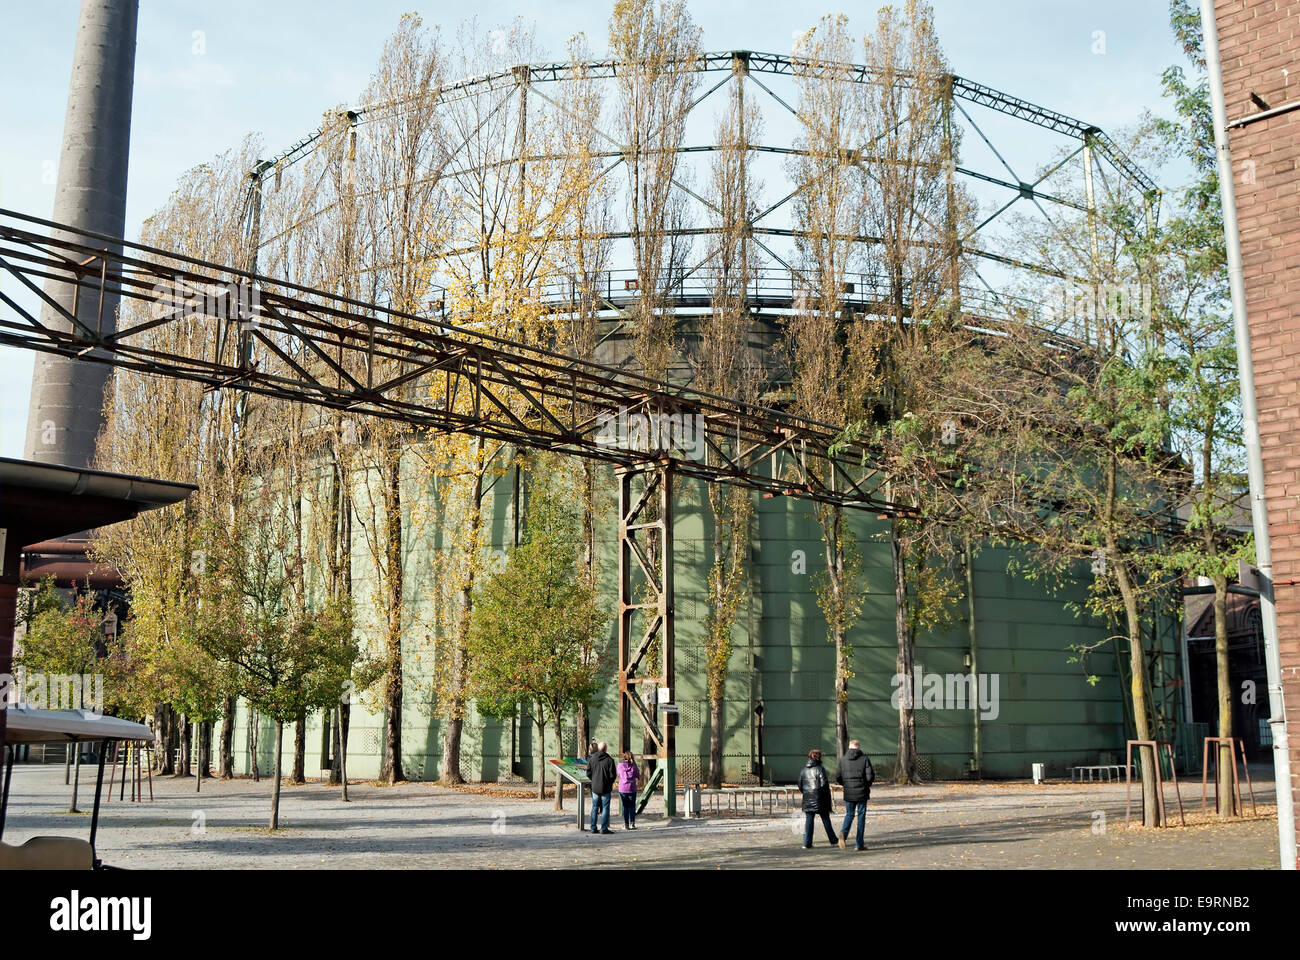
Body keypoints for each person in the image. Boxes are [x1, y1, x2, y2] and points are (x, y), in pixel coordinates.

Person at [835, 739, 874, 851]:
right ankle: (859, 844)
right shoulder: (864, 759)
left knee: (849, 814)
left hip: (848, 793)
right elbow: (870, 776)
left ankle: (843, 833)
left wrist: (846, 785)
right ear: (859, 747)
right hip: (862, 792)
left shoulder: (842, 760)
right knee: (861, 817)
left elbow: (838, 777)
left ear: (849, 747)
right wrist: (866, 785)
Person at [798, 748, 839, 849]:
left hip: (808, 798)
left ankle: (806, 843)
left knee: (809, 820)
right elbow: (824, 784)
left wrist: (807, 793)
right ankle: (833, 840)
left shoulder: (803, 770)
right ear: (819, 757)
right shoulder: (820, 769)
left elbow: (800, 784)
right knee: (826, 819)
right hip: (820, 799)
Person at [587, 740, 617, 835]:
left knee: (594, 807)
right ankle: (604, 828)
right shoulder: (610, 760)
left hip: (595, 787)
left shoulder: (592, 759)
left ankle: (593, 827)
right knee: (605, 808)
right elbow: (613, 775)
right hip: (606, 787)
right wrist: (609, 782)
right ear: (606, 749)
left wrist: (594, 780)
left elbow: (588, 773)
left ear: (598, 749)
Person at [616, 750, 640, 830]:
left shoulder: (620, 765)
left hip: (623, 788)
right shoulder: (634, 765)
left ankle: (626, 824)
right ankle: (632, 824)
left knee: (625, 806)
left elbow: (618, 774)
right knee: (632, 806)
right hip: (632, 787)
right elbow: (637, 775)